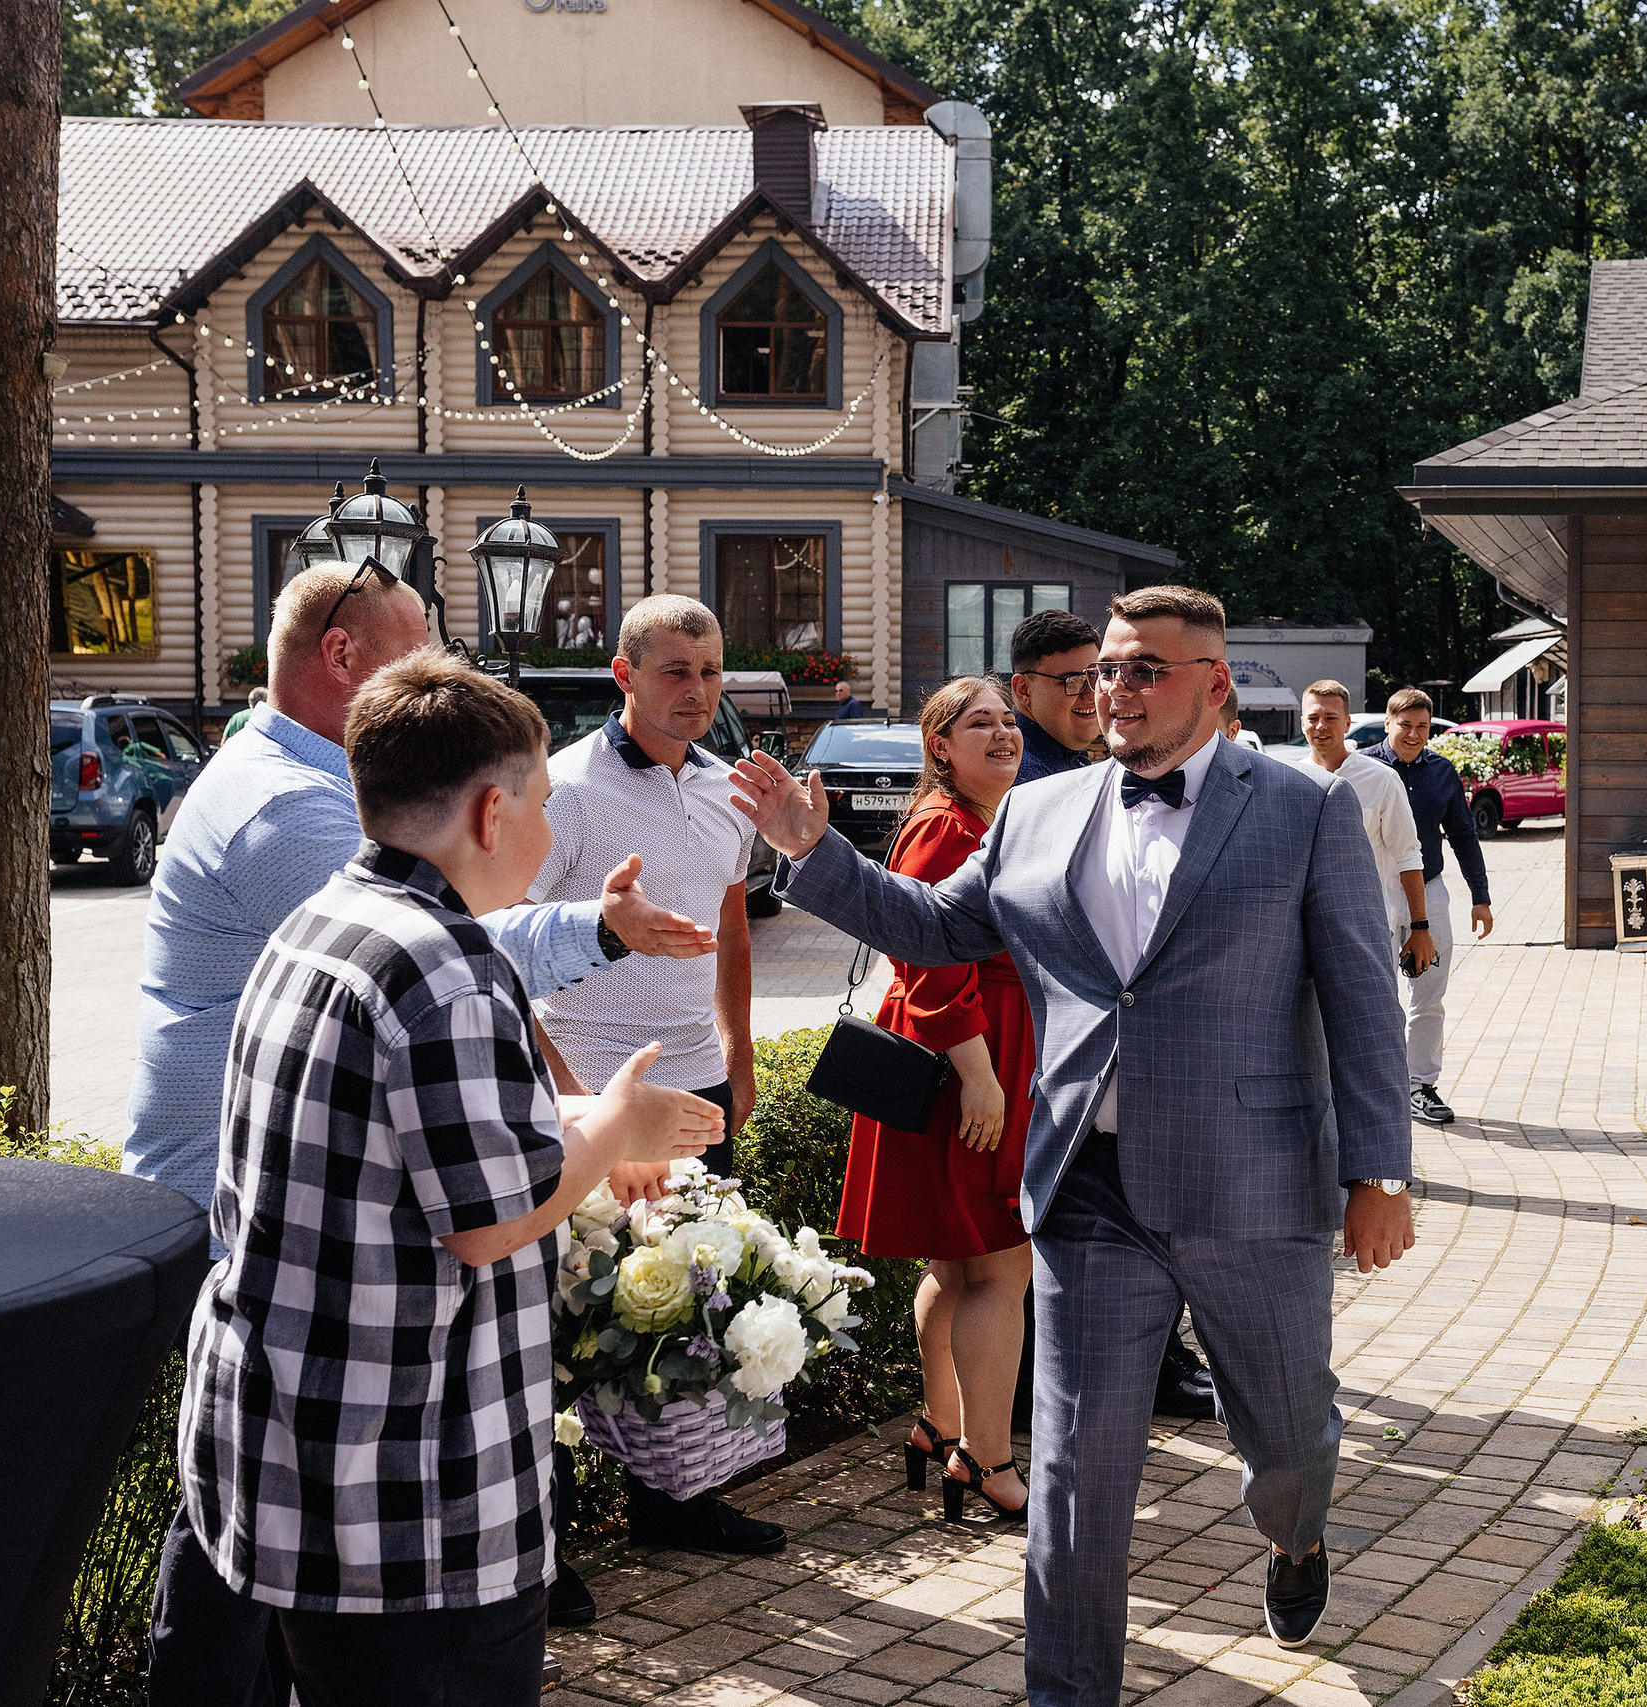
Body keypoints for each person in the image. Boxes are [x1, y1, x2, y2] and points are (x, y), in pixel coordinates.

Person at [728, 584, 1416, 1698]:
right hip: (1088, 1186)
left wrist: (1377, 1172)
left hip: (1252, 1182)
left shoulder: (1305, 810)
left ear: (1215, 683)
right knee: (1075, 1471)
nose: (1117, 689)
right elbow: (935, 927)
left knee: (1287, 1434)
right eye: (1107, 669)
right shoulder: (1037, 814)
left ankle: (1295, 1536)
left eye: (1145, 668)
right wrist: (815, 852)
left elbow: (1363, 999)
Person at [133, 563, 718, 1705]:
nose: (546, 834)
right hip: (410, 1506)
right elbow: (491, 1221)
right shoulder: (440, 965)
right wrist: (619, 1125)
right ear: (491, 812)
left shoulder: (329, 915)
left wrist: (578, 1116)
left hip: (307, 1460)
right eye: (540, 807)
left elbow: (403, 1132)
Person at [524, 594, 785, 1564]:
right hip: (595, 1090)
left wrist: (739, 1053)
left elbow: (732, 931)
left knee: (693, 1299)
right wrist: (577, 1101)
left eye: (710, 672)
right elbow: (509, 948)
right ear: (624, 675)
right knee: (567, 1319)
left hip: (698, 1086)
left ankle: (677, 1503)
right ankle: (544, 1546)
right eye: (676, 670)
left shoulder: (728, 790)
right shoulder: (565, 789)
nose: (697, 690)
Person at [1003, 606, 1215, 1423]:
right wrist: (813, 853)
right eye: (1081, 677)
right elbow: (946, 925)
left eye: (1114, 672)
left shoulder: (1100, 769)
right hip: (1055, 1062)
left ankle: (1155, 1365)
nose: (1098, 692)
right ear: (1023, 689)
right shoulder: (1035, 790)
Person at [837, 676, 1034, 1524]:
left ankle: (942, 1428)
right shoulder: (945, 826)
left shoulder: (981, 817)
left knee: (957, 1265)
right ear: (940, 747)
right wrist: (981, 1075)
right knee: (1000, 1264)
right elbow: (924, 959)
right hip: (969, 1055)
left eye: (1007, 720)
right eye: (978, 723)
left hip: (978, 1049)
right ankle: (988, 1459)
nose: (1002, 733)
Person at [1375, 688, 1494, 1125]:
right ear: (1388, 723)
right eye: (1405, 725)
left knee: (1429, 995)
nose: (1413, 734)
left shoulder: (1442, 772)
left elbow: (1463, 834)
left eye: (1422, 726)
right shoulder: (1363, 769)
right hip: (1376, 893)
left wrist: (1480, 897)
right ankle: (1379, 1085)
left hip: (1429, 892)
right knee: (1376, 994)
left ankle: (1420, 1085)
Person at [1295, 681, 1428, 970]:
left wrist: (1420, 928)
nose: (1321, 726)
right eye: (1313, 718)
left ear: (1347, 723)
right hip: (1307, 932)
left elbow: (1408, 856)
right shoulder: (1291, 779)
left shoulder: (1381, 780)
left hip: (1369, 930)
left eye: (1331, 718)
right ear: (1302, 722)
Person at [1008, 607, 1101, 785]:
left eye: (1096, 676)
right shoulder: (1024, 776)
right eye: (1072, 681)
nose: (1091, 694)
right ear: (1023, 689)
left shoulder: (1062, 753)